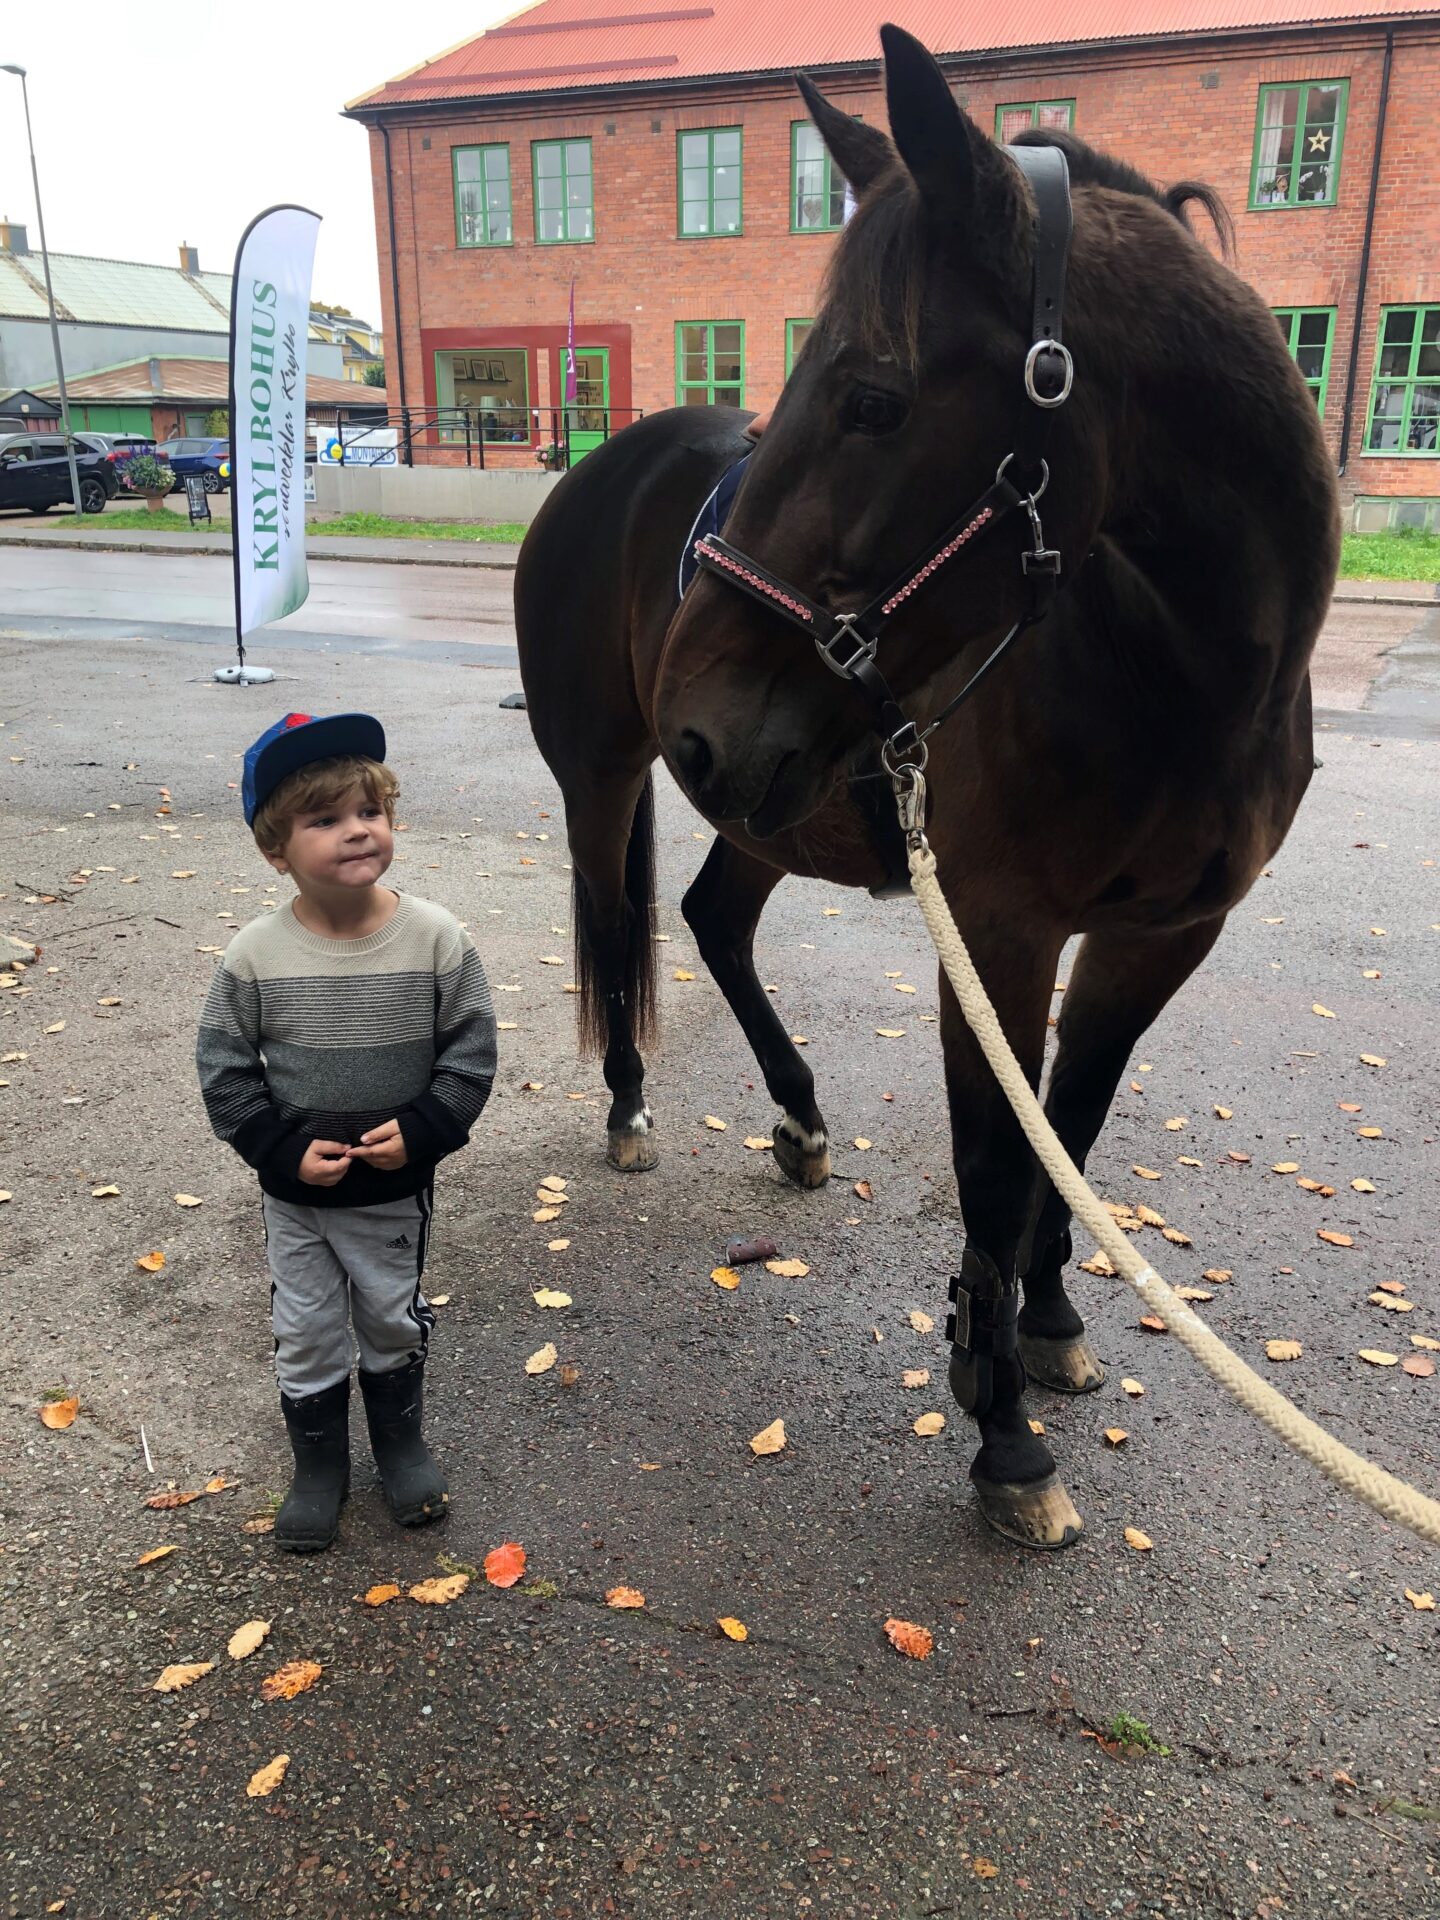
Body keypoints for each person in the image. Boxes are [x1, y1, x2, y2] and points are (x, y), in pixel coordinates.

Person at [197, 713, 496, 1552]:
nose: (357, 830)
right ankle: (318, 1466)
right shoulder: (254, 956)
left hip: (393, 1190)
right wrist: (280, 1150)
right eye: (324, 819)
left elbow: (471, 1053)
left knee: (392, 1316)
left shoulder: (435, 939)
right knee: (305, 1328)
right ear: (275, 850)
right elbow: (224, 1071)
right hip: (296, 1196)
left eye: (370, 810)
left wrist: (427, 1129)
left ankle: (400, 1446)